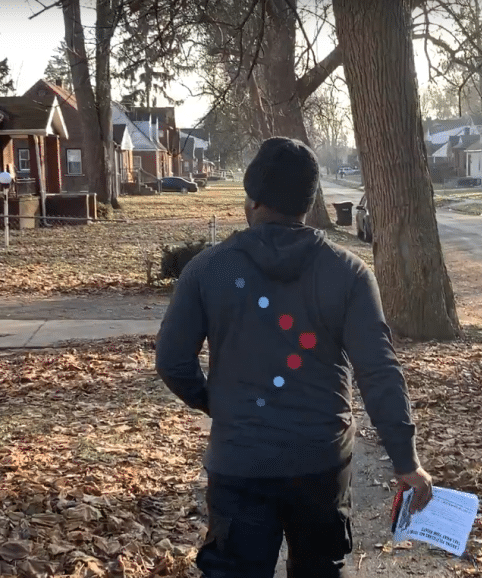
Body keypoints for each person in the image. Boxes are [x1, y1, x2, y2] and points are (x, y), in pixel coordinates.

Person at [155, 136, 433, 578]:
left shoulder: (209, 269)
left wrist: (219, 405)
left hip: (240, 460)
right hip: (320, 462)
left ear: (252, 199)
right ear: (309, 201)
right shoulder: (348, 273)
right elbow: (378, 370)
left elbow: (172, 362)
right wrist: (406, 460)